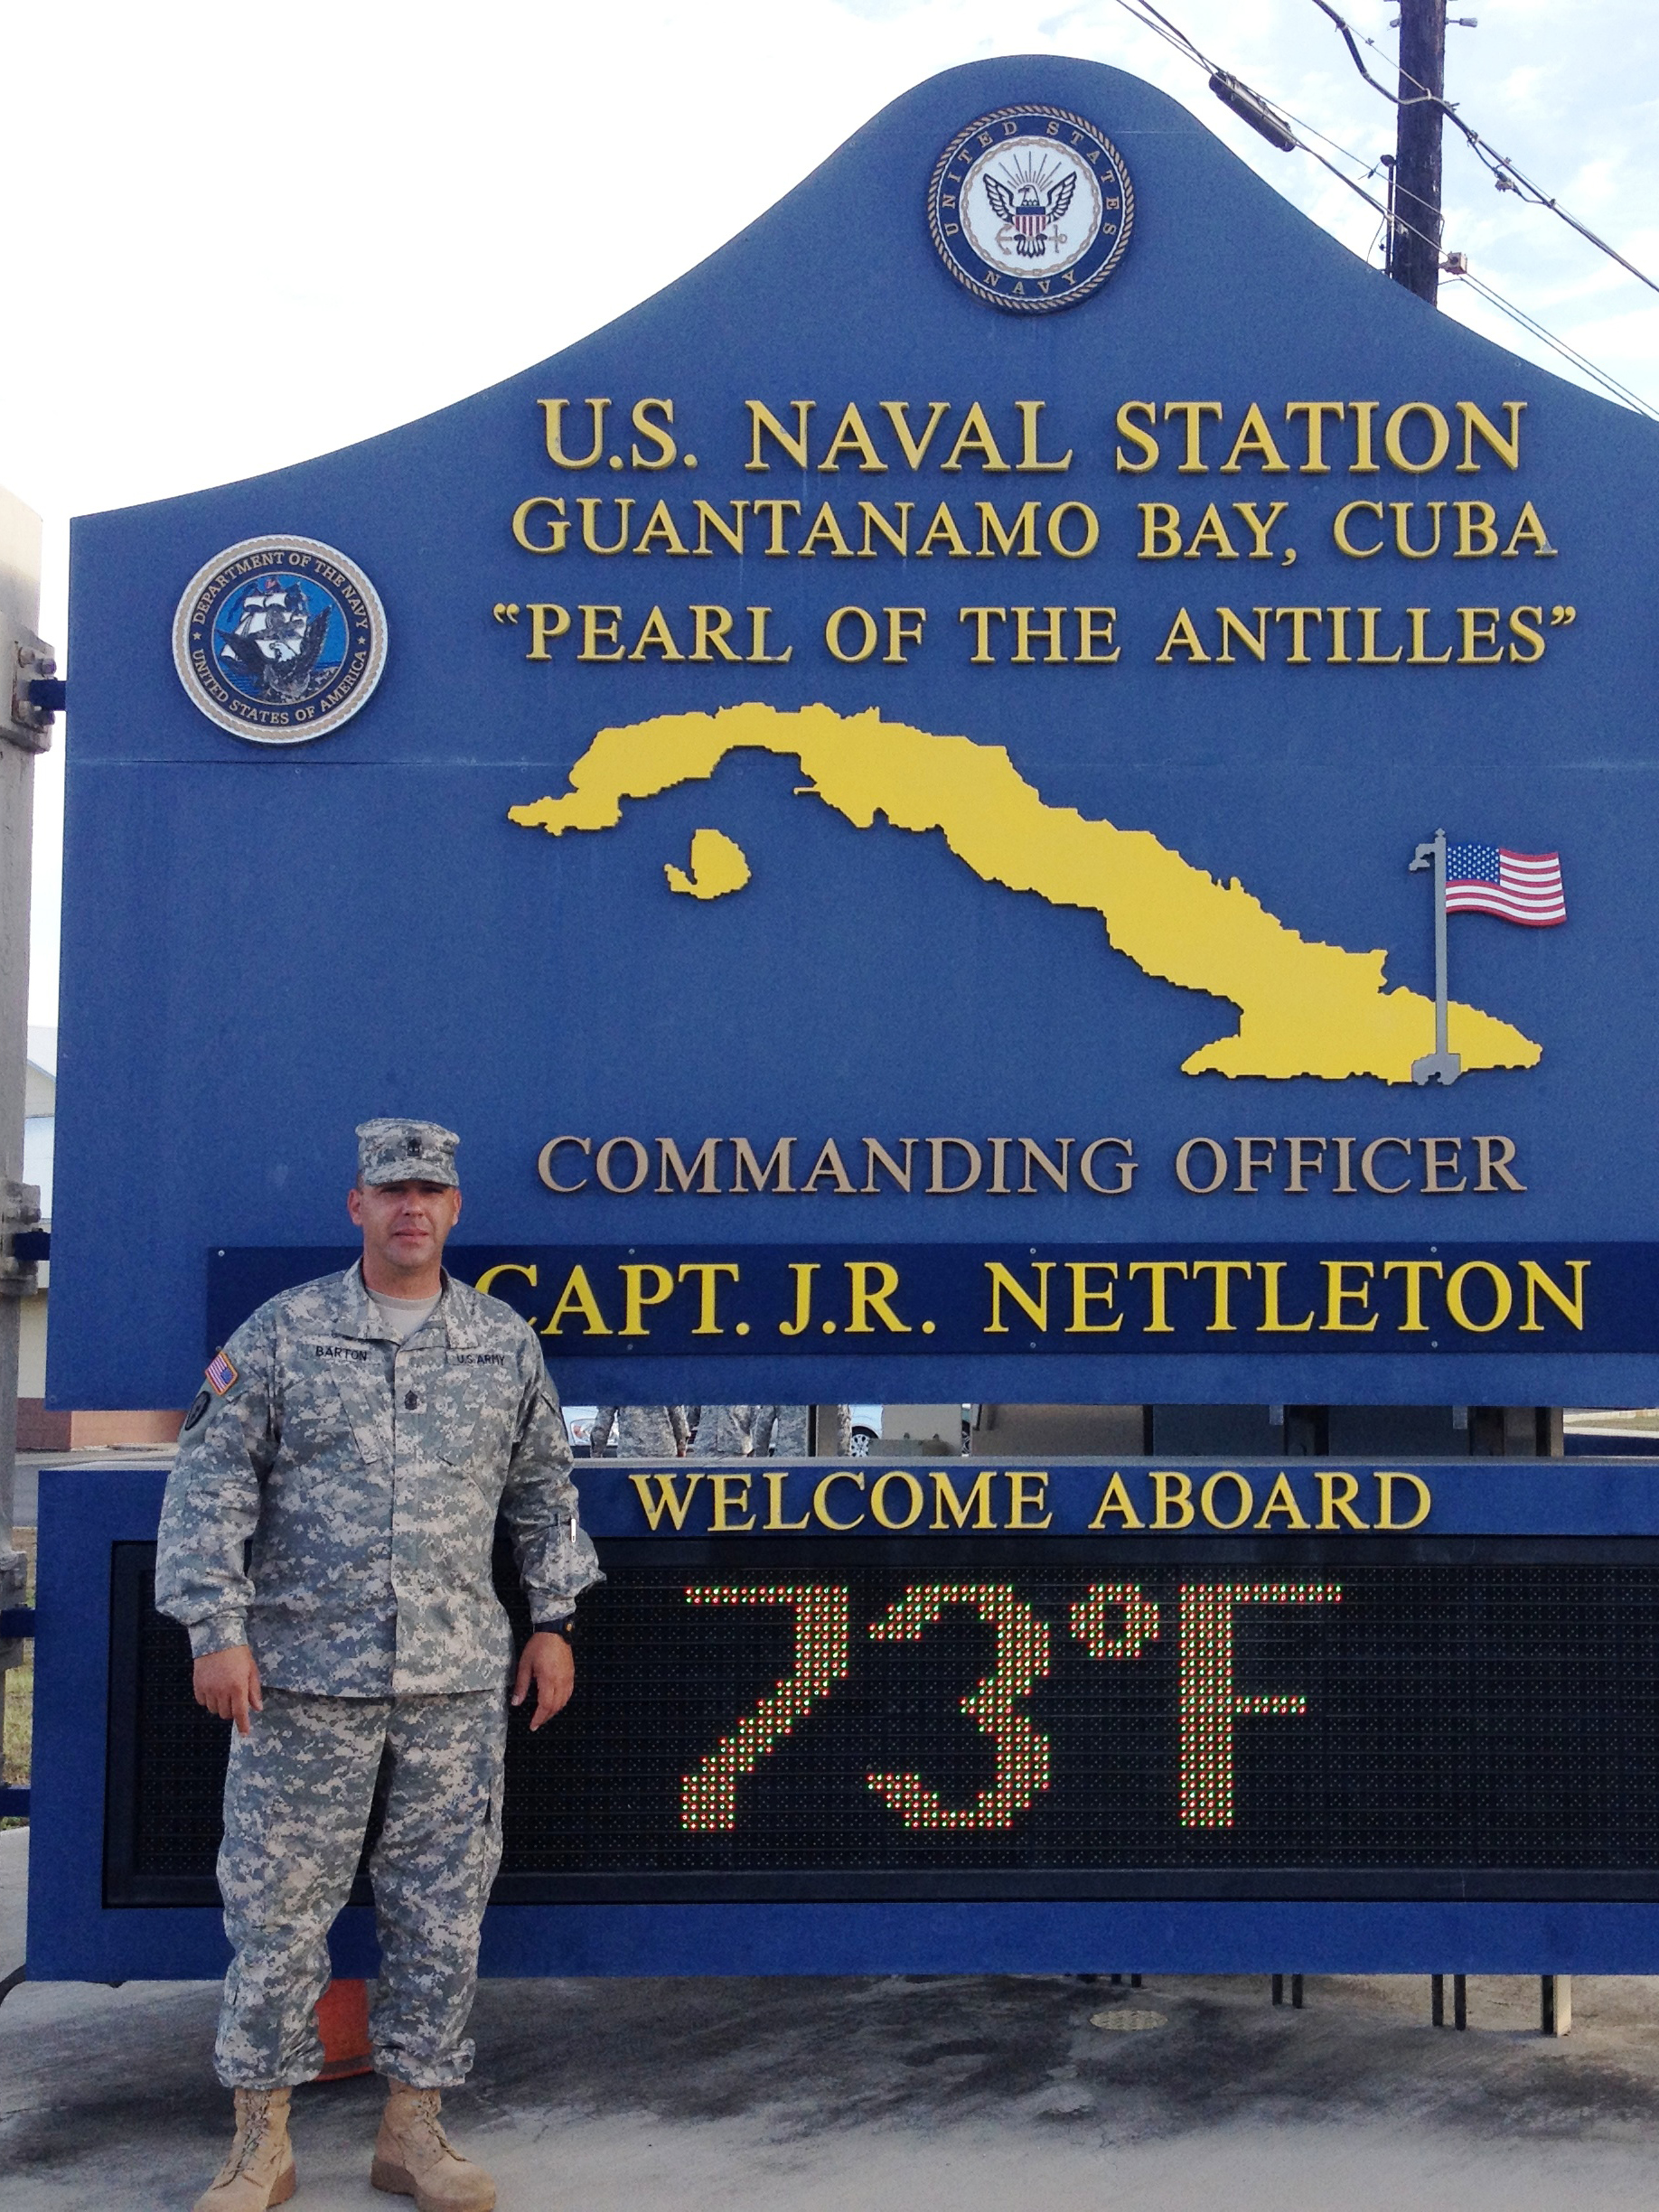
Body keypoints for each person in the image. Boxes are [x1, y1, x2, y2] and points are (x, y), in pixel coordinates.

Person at [156, 1119, 600, 2212]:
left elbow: (543, 1492)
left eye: (431, 1193)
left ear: (455, 1212)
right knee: (275, 1916)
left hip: (455, 1683)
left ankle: (414, 2133)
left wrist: (554, 1621)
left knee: (442, 1913)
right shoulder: (283, 1334)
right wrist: (217, 1629)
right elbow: (209, 1485)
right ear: (354, 1205)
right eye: (391, 1190)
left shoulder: (501, 1344)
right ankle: (260, 2142)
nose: (412, 1208)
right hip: (300, 1682)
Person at [588, 1403, 688, 1456]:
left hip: (631, 1454)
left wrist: (596, 1453)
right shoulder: (664, 1379)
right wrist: (681, 1447)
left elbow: (603, 1422)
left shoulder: (618, 1381)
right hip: (664, 1453)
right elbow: (679, 1419)